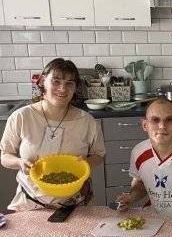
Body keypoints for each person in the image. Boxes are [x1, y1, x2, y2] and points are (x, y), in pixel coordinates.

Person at [0, 58, 105, 210]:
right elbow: (4, 155)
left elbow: (98, 155)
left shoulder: (87, 122)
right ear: (42, 81)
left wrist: (88, 162)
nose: (63, 88)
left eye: (70, 83)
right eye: (56, 81)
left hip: (75, 204)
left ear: (76, 88)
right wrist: (19, 163)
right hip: (30, 202)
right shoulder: (21, 117)